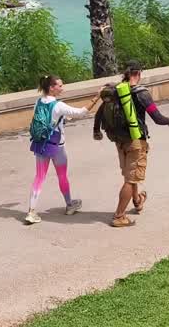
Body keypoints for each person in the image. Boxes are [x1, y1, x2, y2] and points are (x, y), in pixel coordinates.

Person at [94, 61, 169, 227]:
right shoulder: (141, 93)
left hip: (119, 140)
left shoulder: (116, 91)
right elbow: (157, 118)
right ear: (139, 73)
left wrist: (97, 131)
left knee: (130, 174)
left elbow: (100, 112)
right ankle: (119, 216)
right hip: (135, 141)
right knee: (130, 179)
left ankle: (137, 201)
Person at [25, 75, 99, 225]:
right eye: (59, 85)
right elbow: (81, 112)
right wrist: (97, 97)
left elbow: (47, 119)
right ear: (51, 88)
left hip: (41, 144)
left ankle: (31, 212)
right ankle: (69, 205)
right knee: (62, 176)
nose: (62, 88)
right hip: (57, 146)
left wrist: (62, 119)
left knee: (39, 177)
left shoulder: (38, 102)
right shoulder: (58, 105)